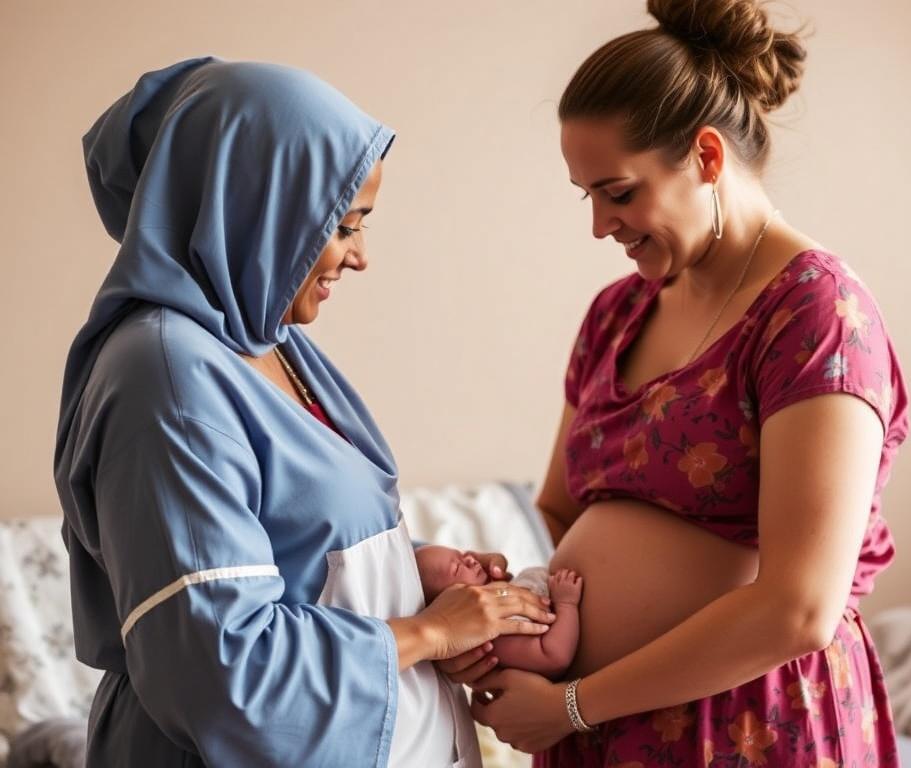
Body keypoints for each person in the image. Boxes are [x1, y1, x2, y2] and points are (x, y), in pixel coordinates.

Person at [53, 57, 554, 768]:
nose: (359, 258)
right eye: (346, 226)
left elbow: (278, 557)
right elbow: (216, 668)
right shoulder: (162, 378)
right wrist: (426, 635)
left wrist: (417, 575)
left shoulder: (261, 342)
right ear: (256, 205)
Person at [466, 1, 910, 765]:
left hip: (747, 728)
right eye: (588, 196)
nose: (601, 226)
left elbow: (799, 608)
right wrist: (511, 611)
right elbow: (559, 507)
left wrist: (571, 705)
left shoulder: (816, 316)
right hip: (596, 728)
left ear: (706, 157)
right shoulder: (617, 314)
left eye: (619, 191)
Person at [412, 546, 583, 678]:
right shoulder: (496, 634)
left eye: (463, 555)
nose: (471, 559)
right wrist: (566, 604)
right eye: (457, 568)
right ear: (447, 605)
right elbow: (555, 657)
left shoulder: (507, 592)